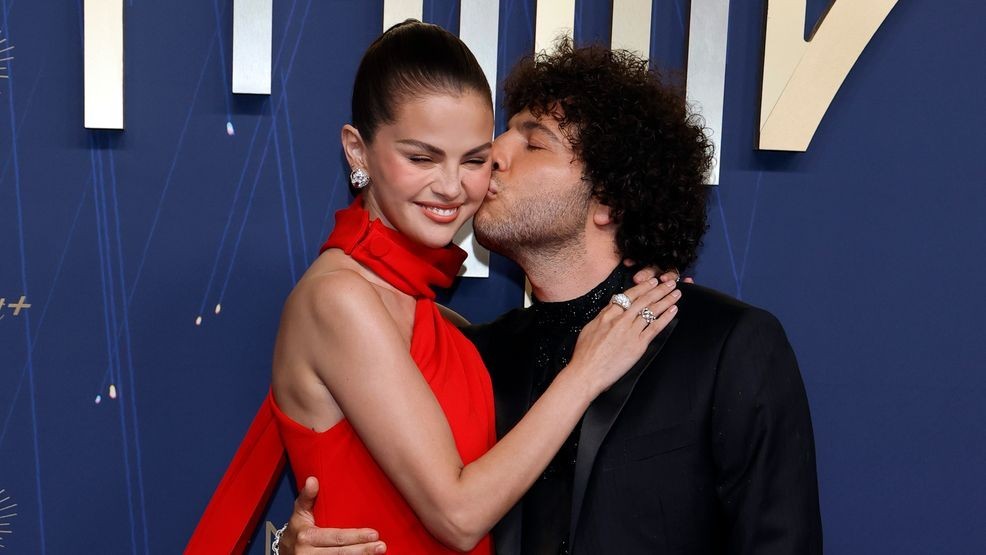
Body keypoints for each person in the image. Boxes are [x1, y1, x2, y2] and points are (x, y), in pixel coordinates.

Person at [281, 40, 822, 554]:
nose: (494, 156)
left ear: (609, 198)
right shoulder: (476, 355)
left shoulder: (724, 346)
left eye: (533, 142)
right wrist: (292, 542)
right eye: (501, 135)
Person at [186, 23, 680, 555]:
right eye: (421, 158)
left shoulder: (440, 320)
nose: (450, 186)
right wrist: (585, 373)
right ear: (357, 150)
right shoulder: (341, 297)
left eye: (472, 160)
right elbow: (460, 515)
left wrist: (286, 544)